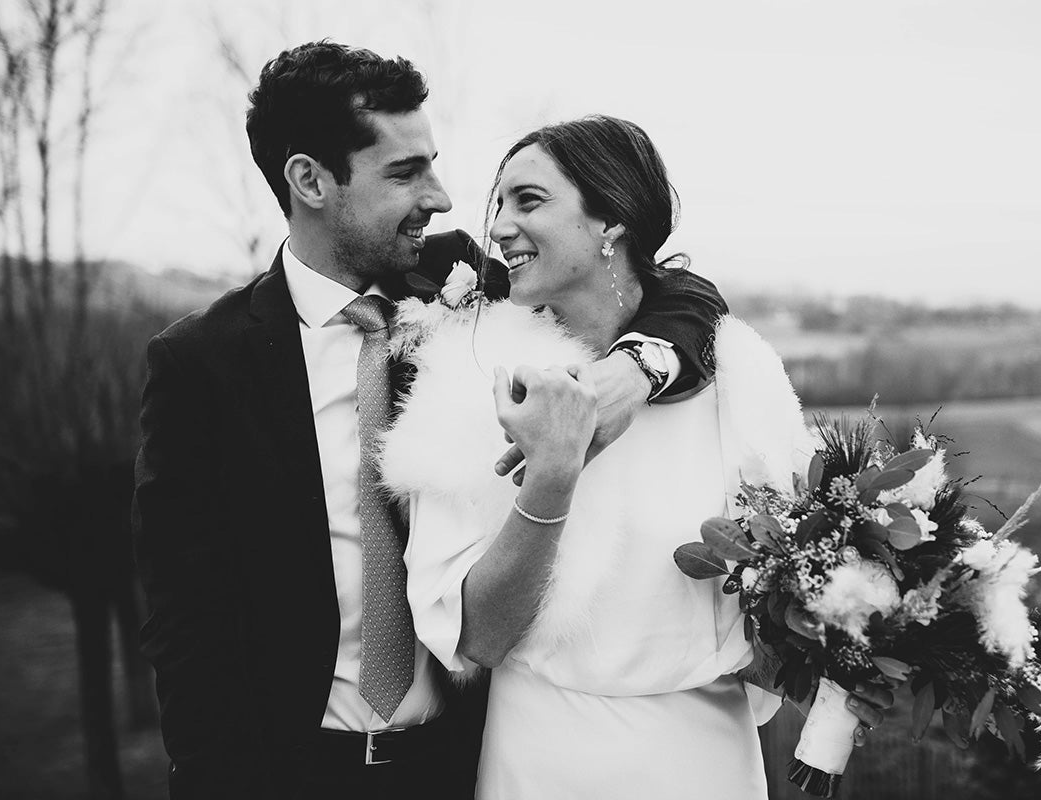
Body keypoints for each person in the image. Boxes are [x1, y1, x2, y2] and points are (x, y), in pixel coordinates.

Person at [131, 43, 732, 799]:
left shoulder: (470, 286)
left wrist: (635, 369)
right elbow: (184, 622)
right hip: (293, 772)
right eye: (405, 172)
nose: (442, 197)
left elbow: (681, 291)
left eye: (433, 164)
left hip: (468, 762)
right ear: (310, 180)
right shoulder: (202, 364)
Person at [382, 116, 894, 798]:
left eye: (528, 201)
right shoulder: (469, 367)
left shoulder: (737, 371)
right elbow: (473, 637)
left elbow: (785, 610)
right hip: (539, 758)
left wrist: (856, 654)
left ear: (611, 223)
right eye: (498, 203)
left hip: (705, 758)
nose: (499, 226)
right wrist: (551, 480)